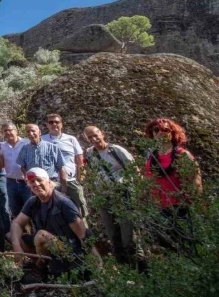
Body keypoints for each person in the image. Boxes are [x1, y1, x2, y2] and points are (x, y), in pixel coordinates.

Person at [83, 126, 145, 268]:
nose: (93, 139)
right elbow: (91, 173)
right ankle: (125, 275)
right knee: (113, 238)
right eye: (89, 138)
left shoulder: (116, 150)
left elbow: (135, 170)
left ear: (102, 134)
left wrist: (135, 192)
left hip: (123, 197)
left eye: (95, 135)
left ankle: (143, 273)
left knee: (129, 239)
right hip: (104, 199)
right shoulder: (89, 154)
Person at [10, 168, 89, 276]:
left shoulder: (63, 202)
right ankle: (39, 262)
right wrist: (17, 247)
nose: (36, 184)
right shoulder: (33, 201)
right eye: (32, 182)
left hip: (68, 248)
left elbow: (83, 235)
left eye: (39, 180)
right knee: (12, 236)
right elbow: (17, 223)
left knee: (41, 235)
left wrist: (97, 263)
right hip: (48, 246)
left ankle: (40, 268)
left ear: (49, 182)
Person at [144, 118, 203, 250]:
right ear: (152, 133)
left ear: (172, 133)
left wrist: (192, 203)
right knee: (168, 247)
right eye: (156, 130)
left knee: (186, 246)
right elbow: (147, 181)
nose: (160, 133)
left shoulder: (183, 155)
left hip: (180, 207)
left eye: (165, 130)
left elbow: (196, 182)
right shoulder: (150, 157)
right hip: (159, 208)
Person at [42, 114, 88, 217]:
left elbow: (80, 160)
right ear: (47, 125)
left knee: (79, 210)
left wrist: (81, 178)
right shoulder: (42, 140)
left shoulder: (71, 139)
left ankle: (84, 232)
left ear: (61, 124)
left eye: (57, 122)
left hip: (71, 181)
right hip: (51, 182)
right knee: (54, 211)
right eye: (51, 122)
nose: (54, 124)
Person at [16, 124, 67, 193]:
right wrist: (27, 179)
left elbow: (61, 167)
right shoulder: (25, 149)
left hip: (50, 183)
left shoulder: (52, 147)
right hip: (34, 185)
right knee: (36, 203)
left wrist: (64, 187)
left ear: (39, 132)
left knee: (53, 203)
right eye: (28, 132)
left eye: (33, 131)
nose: (31, 133)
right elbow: (22, 167)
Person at [0, 122, 31, 220]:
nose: (8, 132)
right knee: (15, 210)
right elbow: (1, 166)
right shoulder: (1, 146)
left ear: (16, 131)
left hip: (26, 182)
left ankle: (34, 233)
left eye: (10, 130)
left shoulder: (26, 143)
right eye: (5, 131)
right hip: (11, 182)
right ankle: (21, 233)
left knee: (30, 209)